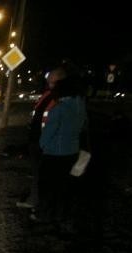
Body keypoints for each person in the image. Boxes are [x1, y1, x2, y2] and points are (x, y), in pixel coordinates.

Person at [36, 70, 87, 234]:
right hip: (72, 152)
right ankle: (62, 217)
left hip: (54, 154)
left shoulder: (59, 109)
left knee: (48, 187)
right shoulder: (80, 107)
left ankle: (45, 216)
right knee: (65, 188)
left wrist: (42, 145)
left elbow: (48, 132)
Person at [17, 66, 66, 211]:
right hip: (37, 140)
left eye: (53, 82)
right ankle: (37, 201)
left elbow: (55, 122)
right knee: (37, 174)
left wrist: (44, 142)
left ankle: (40, 204)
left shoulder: (61, 98)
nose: (50, 85)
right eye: (49, 82)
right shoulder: (48, 94)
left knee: (44, 177)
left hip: (46, 143)